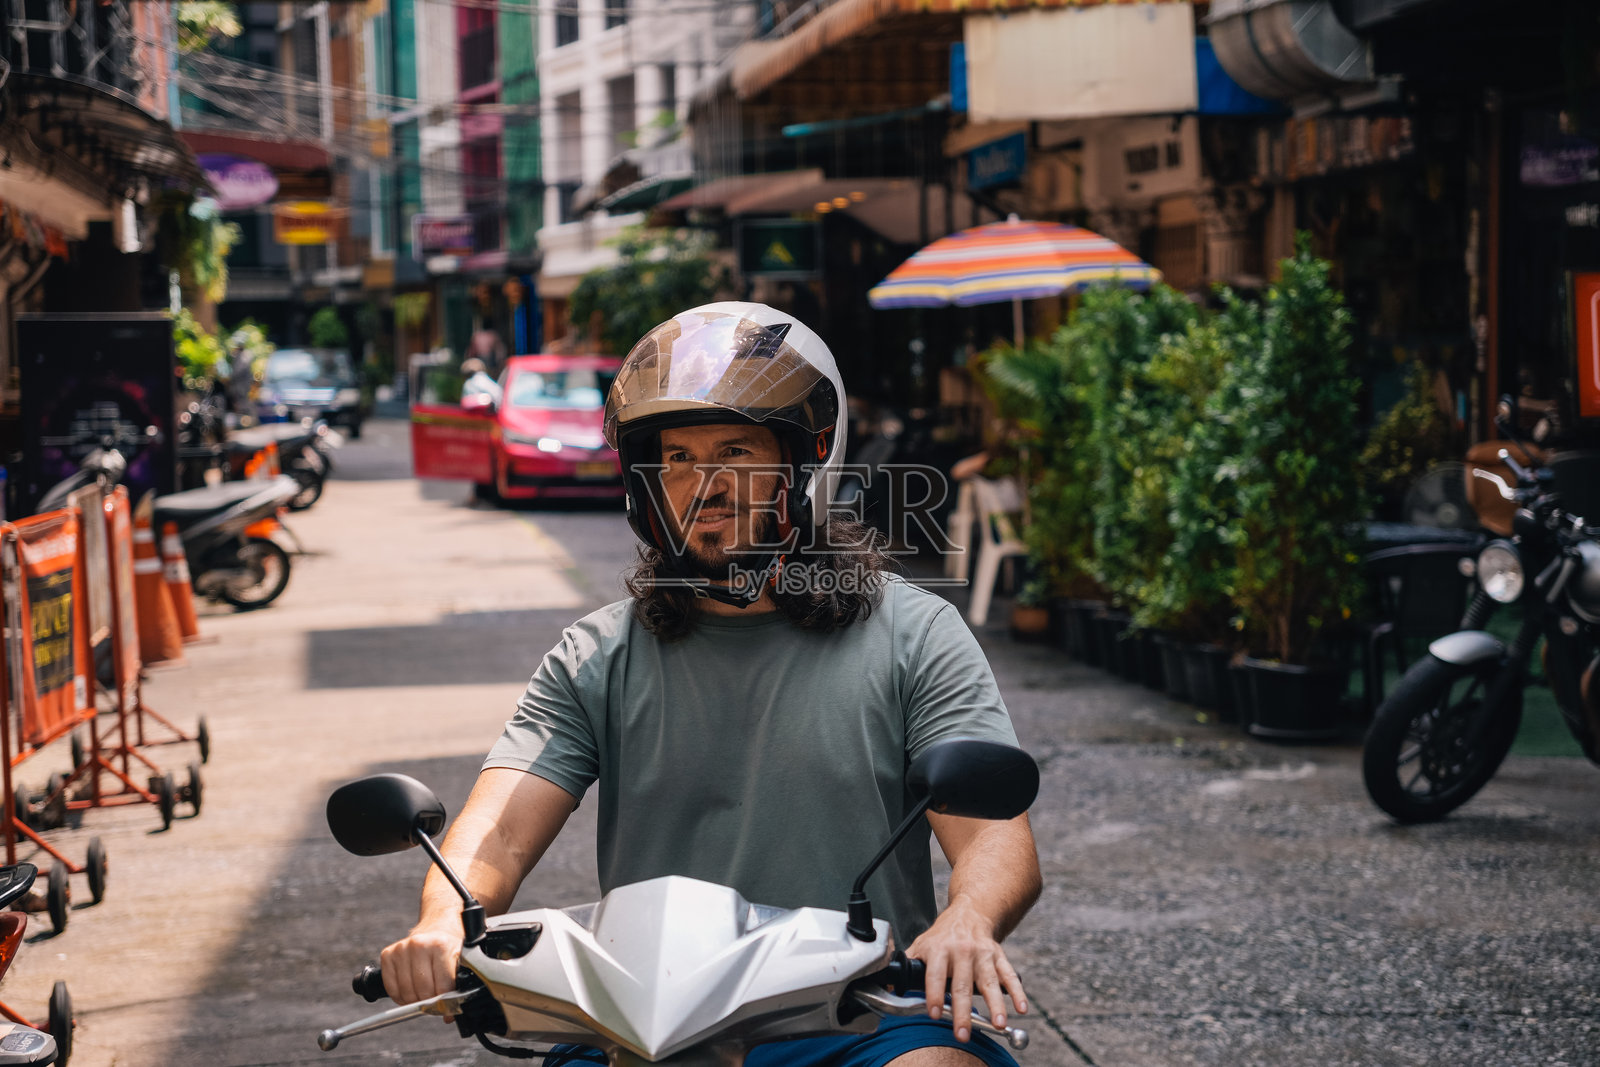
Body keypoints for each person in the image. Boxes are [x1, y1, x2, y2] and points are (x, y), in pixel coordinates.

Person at [380, 303, 1041, 1067]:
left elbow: (996, 833)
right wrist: (442, 919)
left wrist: (968, 915)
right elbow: (498, 824)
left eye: (735, 450)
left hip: (853, 1014)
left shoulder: (915, 633)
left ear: (805, 460)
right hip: (641, 1020)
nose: (705, 483)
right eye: (679, 458)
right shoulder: (596, 651)